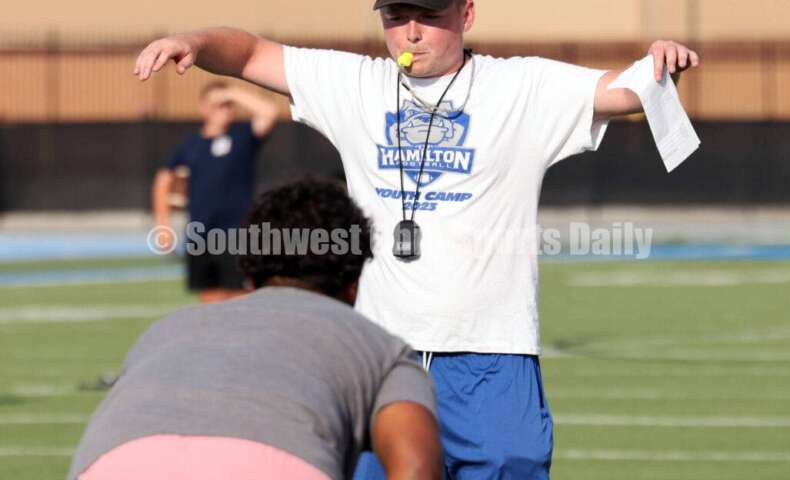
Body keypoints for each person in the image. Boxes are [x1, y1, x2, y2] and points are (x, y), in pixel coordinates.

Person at [133, 1, 700, 478]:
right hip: (380, 360)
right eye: (396, 15)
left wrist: (658, 65)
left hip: (491, 357)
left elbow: (620, 93)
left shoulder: (523, 85)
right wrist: (194, 40)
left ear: (467, 13)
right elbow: (252, 52)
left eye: (428, 15)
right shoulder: (355, 83)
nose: (409, 32)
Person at [68, 178, 442, 480]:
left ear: (248, 275)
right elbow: (415, 467)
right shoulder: (381, 350)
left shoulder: (165, 330)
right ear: (354, 284)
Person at [152, 81, 279, 303]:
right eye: (219, 104)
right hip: (200, 233)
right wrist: (163, 225)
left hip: (236, 233)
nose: (225, 109)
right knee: (210, 299)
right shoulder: (190, 146)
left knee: (242, 298)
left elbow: (269, 112)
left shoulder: (242, 137)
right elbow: (163, 181)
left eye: (228, 105)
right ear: (204, 108)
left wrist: (232, 93)